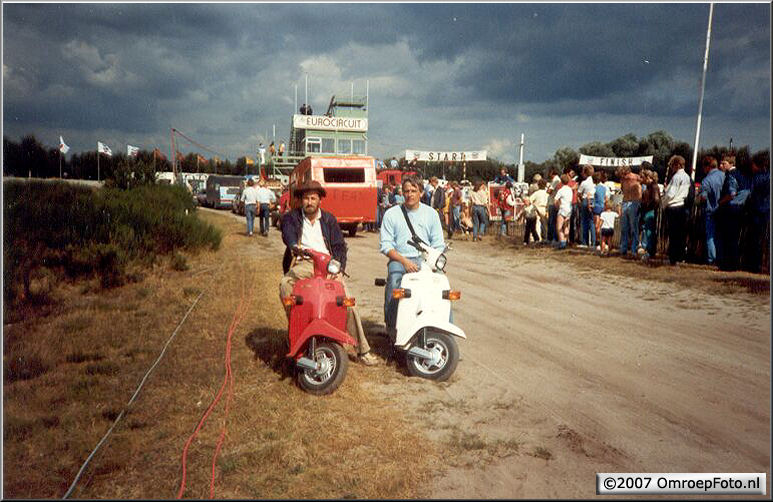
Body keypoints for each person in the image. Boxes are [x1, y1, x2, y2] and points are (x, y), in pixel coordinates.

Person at [279, 181, 378, 366]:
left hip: (327, 265)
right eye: (306, 198)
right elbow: (288, 234)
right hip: (303, 263)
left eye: (313, 198)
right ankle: (297, 330)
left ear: (319, 201)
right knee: (286, 285)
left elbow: (340, 246)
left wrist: (338, 269)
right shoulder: (292, 217)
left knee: (347, 302)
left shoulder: (329, 219)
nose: (309, 201)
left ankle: (363, 350)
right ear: (301, 200)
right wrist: (294, 246)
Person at [379, 175, 445, 338]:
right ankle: (392, 327)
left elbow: (438, 243)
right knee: (394, 282)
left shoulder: (431, 214)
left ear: (421, 193)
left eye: (414, 191)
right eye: (406, 191)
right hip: (400, 259)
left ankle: (444, 326)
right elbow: (386, 246)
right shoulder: (391, 214)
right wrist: (404, 261)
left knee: (442, 286)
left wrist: (431, 263)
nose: (410, 194)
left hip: (425, 260)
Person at [661, 155, 691, 265]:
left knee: (673, 234)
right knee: (680, 234)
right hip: (681, 206)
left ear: (677, 165)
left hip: (673, 206)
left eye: (673, 165)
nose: (672, 168)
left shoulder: (676, 177)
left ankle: (673, 258)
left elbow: (670, 194)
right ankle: (680, 257)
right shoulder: (687, 177)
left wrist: (663, 203)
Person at [697, 156, 725, 266]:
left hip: (711, 211)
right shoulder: (725, 176)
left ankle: (711, 259)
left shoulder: (707, 180)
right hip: (723, 210)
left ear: (707, 167)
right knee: (720, 236)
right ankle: (720, 258)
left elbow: (703, 197)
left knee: (710, 236)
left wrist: (698, 198)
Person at [618, 165, 642, 257]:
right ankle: (625, 248)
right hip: (626, 202)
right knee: (625, 228)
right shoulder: (624, 179)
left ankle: (633, 249)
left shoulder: (636, 178)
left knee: (632, 227)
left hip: (633, 202)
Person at [639, 170, 661, 259]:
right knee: (648, 231)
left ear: (647, 177)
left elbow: (656, 200)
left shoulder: (653, 186)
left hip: (650, 211)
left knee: (649, 232)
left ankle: (650, 251)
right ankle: (650, 251)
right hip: (648, 211)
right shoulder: (650, 186)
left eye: (643, 177)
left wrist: (648, 206)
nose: (642, 179)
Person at [577, 164, 596, 248]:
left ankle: (585, 242)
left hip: (585, 199)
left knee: (584, 221)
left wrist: (581, 200)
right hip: (592, 200)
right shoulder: (593, 182)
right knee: (592, 221)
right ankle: (593, 242)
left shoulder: (584, 183)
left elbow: (579, 193)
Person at [554, 174, 573, 250]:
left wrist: (557, 207)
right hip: (569, 208)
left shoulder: (561, 190)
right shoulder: (570, 189)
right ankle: (565, 240)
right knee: (566, 225)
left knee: (559, 226)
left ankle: (562, 242)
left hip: (562, 208)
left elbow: (555, 200)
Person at [592, 171, 608, 250]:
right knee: (604, 225)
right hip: (603, 207)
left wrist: (590, 205)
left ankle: (598, 242)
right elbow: (606, 199)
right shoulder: (605, 188)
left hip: (597, 208)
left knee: (597, 226)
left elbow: (591, 197)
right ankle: (604, 242)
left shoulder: (594, 188)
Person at [546, 168, 560, 243]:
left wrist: (548, 188)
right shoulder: (556, 180)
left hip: (553, 202)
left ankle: (553, 238)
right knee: (552, 221)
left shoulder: (555, 180)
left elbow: (549, 191)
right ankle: (552, 238)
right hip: (553, 202)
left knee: (552, 221)